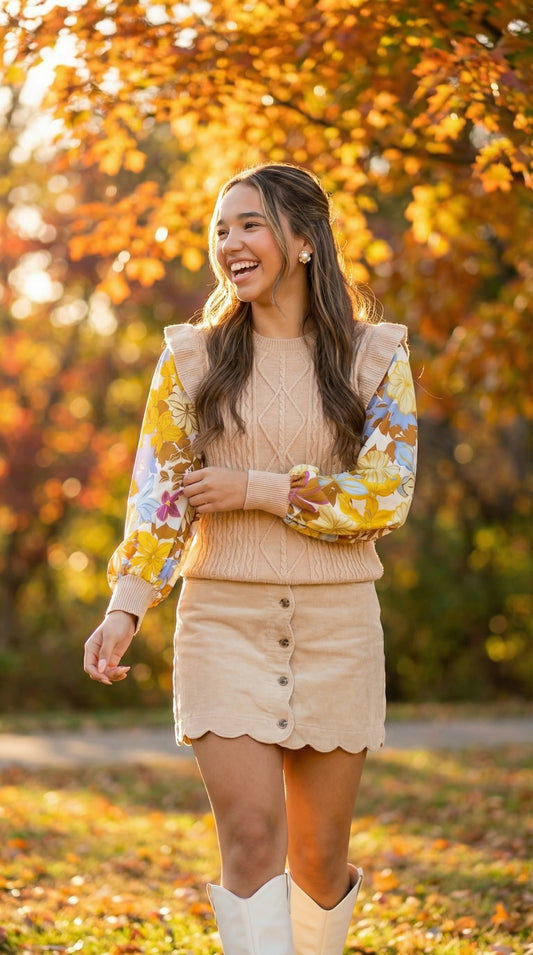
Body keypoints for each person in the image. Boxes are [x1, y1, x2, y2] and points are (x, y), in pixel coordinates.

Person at [84, 162, 417, 955]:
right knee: (248, 835)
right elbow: (160, 498)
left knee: (317, 858)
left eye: (250, 223)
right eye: (220, 228)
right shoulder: (191, 360)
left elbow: (384, 496)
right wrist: (125, 606)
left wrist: (254, 488)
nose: (229, 242)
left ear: (303, 241)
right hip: (221, 619)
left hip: (338, 625)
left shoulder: (375, 358)